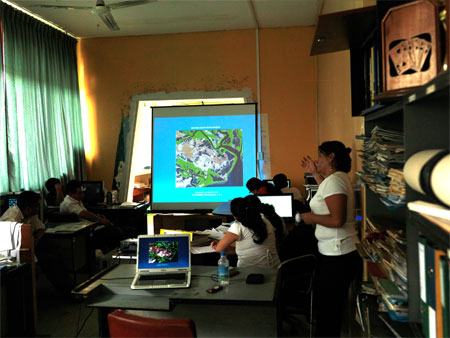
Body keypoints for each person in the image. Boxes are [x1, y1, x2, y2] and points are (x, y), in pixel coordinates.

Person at [300, 140, 361, 337]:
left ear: (330, 157)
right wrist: (315, 174)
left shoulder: (336, 181)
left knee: (328, 312)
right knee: (329, 309)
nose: (317, 161)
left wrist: (309, 218)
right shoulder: (335, 179)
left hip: (338, 254)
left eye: (319, 157)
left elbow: (337, 219)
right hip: (335, 252)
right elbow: (327, 192)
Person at [0, 191, 74, 295]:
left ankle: (70, 290)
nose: (39, 209)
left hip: (27, 249)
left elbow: (41, 228)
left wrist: (36, 240)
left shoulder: (30, 214)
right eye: (37, 206)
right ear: (28, 208)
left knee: (54, 257)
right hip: (10, 255)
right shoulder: (10, 220)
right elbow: (9, 246)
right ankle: (29, 301)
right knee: (40, 265)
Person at [210, 195, 280, 268]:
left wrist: (216, 246)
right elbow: (251, 243)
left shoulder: (237, 227)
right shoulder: (266, 222)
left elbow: (219, 249)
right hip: (275, 271)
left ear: (235, 217)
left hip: (249, 273)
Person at [60, 180, 124, 253]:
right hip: (86, 232)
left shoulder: (75, 199)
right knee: (115, 232)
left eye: (82, 192)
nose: (82, 195)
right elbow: (84, 213)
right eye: (79, 193)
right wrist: (100, 220)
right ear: (70, 193)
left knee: (114, 227)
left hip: (88, 226)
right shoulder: (69, 203)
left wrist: (98, 217)